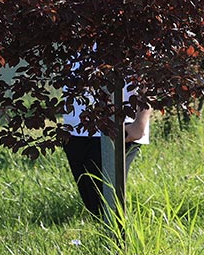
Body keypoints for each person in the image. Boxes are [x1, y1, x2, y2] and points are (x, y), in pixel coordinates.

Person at [63, 82, 152, 219]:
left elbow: (149, 75)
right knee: (93, 203)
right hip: (75, 129)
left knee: (107, 204)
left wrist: (140, 122)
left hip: (118, 127)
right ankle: (104, 237)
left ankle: (119, 238)